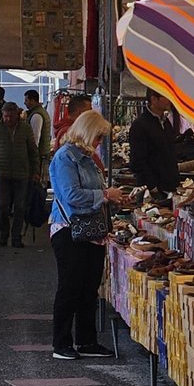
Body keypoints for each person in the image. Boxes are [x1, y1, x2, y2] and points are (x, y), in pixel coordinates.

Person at [49, 110, 130, 360]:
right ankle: (61, 343)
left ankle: (87, 341)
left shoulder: (88, 157)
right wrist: (105, 195)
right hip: (68, 230)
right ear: (86, 132)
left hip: (92, 232)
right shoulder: (65, 158)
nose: (99, 143)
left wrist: (113, 198)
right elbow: (71, 196)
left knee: (89, 288)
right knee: (70, 287)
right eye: (97, 138)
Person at [0, 100, 41, 248]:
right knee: (2, 206)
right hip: (1, 173)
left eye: (11, 116)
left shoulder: (26, 129)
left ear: (17, 115)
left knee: (20, 206)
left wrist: (36, 171)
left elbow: (33, 151)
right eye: (5, 116)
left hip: (22, 173)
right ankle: (3, 233)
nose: (8, 119)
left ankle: (16, 236)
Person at [128, 91, 181, 193]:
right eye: (165, 96)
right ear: (154, 99)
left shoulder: (165, 122)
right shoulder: (140, 125)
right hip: (153, 189)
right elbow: (137, 161)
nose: (169, 100)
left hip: (169, 186)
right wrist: (152, 186)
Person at [25, 89, 53, 161]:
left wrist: (32, 155)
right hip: (42, 153)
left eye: (26, 100)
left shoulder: (36, 115)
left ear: (33, 101)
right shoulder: (40, 112)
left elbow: (35, 137)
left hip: (39, 155)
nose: (24, 103)